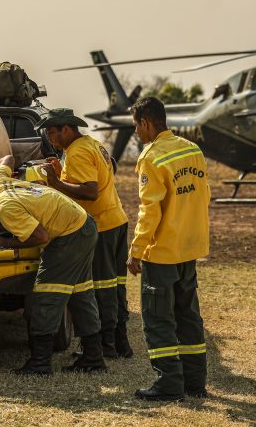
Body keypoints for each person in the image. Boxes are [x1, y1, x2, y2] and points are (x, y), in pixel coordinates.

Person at [0, 156, 106, 375]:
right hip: (83, 224)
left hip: (70, 234)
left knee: (46, 294)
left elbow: (40, 237)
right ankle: (94, 357)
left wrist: (4, 241)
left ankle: (40, 363)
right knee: (80, 292)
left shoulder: (7, 210)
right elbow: (7, 158)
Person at [127, 97, 210, 402]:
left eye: (136, 126)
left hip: (162, 252)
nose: (137, 132)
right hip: (190, 247)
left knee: (158, 318)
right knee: (188, 315)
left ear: (146, 123)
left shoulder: (152, 157)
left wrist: (136, 249)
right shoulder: (192, 149)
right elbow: (204, 195)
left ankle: (169, 383)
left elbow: (150, 210)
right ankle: (195, 381)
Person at [36, 108, 133, 359]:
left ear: (66, 129)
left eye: (51, 132)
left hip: (100, 224)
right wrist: (61, 173)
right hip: (116, 220)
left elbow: (90, 191)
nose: (49, 138)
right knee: (116, 285)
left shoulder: (77, 151)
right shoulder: (92, 144)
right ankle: (121, 343)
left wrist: (55, 183)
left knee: (101, 287)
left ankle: (106, 346)